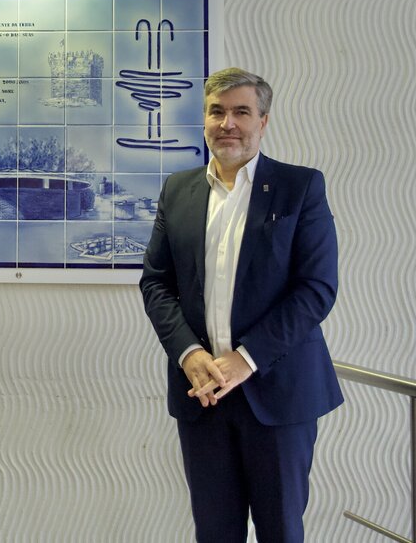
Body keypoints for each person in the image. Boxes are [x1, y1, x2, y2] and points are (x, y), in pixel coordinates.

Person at [140, 67, 342, 542]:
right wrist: (189, 354)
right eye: (217, 112)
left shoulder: (300, 187)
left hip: (278, 394)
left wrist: (245, 358)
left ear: (263, 121)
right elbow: (156, 283)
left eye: (241, 112)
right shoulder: (178, 190)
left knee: (280, 531)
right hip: (202, 394)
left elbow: (316, 288)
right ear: (204, 120)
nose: (227, 123)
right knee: (214, 532)